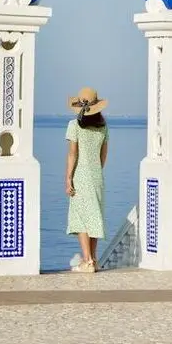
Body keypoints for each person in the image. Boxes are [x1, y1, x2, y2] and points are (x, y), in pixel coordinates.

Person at [65, 87, 110, 274]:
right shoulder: (103, 127)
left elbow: (72, 154)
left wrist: (68, 178)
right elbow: (103, 156)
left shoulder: (74, 125)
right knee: (94, 216)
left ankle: (87, 261)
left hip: (80, 175)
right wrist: (96, 170)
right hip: (97, 175)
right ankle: (94, 259)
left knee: (81, 218)